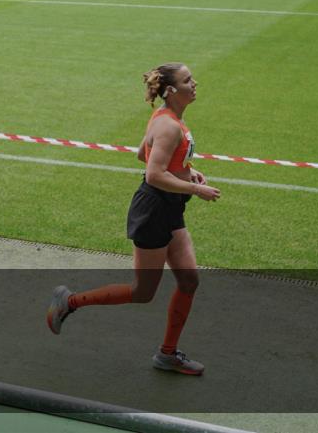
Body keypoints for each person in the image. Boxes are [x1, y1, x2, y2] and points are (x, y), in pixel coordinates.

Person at [46, 63, 220, 375]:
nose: (195, 83)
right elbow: (153, 174)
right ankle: (69, 302)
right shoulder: (168, 125)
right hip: (154, 211)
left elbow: (144, 153)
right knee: (142, 292)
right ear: (171, 90)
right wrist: (196, 187)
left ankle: (167, 354)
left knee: (189, 280)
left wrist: (186, 169)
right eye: (187, 80)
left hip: (170, 208)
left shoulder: (169, 118)